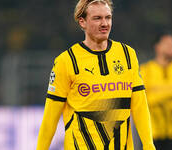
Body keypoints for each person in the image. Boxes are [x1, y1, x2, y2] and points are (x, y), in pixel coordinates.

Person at [37, 0, 155, 149]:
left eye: (108, 17)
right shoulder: (66, 61)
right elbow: (50, 116)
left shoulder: (127, 55)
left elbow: (140, 105)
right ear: (82, 22)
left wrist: (148, 144)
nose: (104, 23)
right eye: (97, 18)